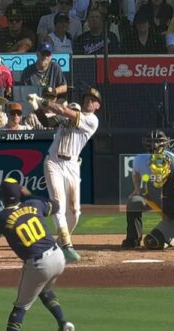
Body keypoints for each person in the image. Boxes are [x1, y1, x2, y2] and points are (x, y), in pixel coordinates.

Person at [0, 177, 75, 331]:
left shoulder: (1, 218)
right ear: (20, 193)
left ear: (2, 195)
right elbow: (55, 206)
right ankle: (63, 323)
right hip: (58, 256)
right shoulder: (34, 204)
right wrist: (30, 195)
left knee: (20, 308)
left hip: (38, 265)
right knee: (44, 291)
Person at [26, 87, 102, 262]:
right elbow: (47, 122)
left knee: (75, 211)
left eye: (93, 99)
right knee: (58, 203)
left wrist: (42, 100)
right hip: (54, 162)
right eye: (87, 98)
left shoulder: (92, 121)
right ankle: (67, 245)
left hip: (72, 166)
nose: (89, 101)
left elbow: (62, 110)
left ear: (97, 105)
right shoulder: (66, 119)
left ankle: (59, 243)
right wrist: (35, 107)